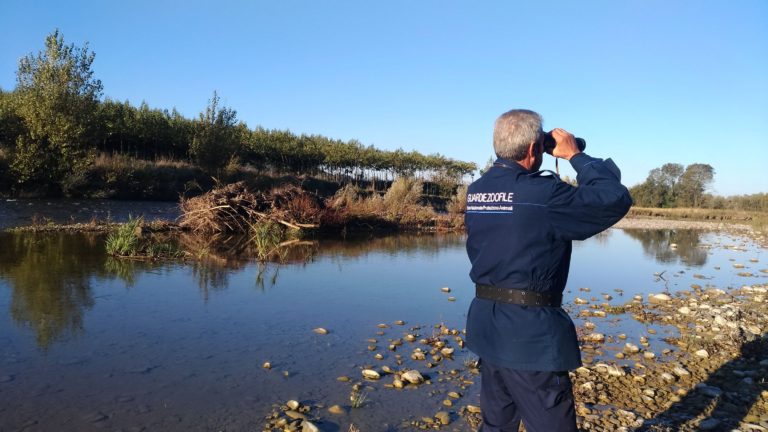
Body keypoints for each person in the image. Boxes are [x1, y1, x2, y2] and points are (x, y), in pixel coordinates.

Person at [464, 109, 632, 431]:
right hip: (530, 334)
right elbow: (614, 198)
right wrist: (576, 156)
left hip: (486, 326)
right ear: (533, 149)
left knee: (496, 424)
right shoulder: (545, 194)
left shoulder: (477, 191)